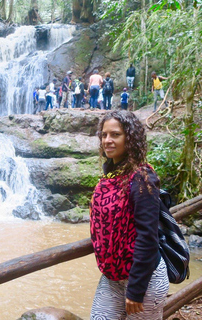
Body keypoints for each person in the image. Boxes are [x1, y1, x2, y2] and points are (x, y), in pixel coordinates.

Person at [90, 110, 169, 320]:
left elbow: (147, 236)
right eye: (104, 135)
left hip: (145, 279)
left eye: (115, 135)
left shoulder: (142, 178)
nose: (108, 140)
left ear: (130, 138)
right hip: (113, 276)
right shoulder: (110, 176)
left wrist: (136, 290)